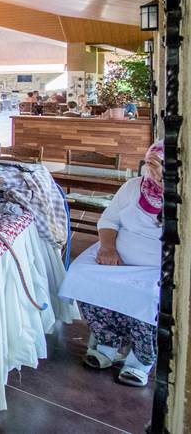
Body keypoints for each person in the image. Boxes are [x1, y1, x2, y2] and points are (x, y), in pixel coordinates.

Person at [59, 143, 163, 387]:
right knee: (81, 274)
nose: (154, 172)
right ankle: (107, 344)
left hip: (154, 266)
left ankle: (140, 360)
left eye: (159, 167)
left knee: (148, 296)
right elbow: (109, 220)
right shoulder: (133, 187)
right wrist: (107, 247)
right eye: (151, 165)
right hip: (117, 253)